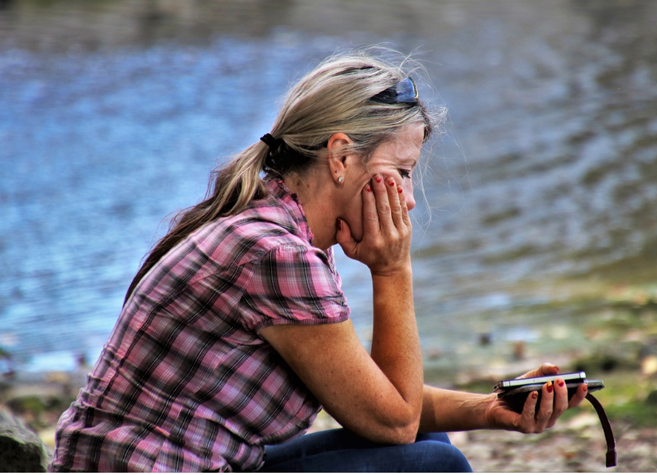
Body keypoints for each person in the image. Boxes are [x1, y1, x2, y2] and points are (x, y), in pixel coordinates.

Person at [50, 48, 588, 472]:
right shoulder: (277, 254)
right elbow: (393, 420)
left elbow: (378, 401)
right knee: (432, 464)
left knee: (429, 443)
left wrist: (491, 410)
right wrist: (392, 270)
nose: (408, 197)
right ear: (340, 157)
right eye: (400, 173)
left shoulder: (278, 229)